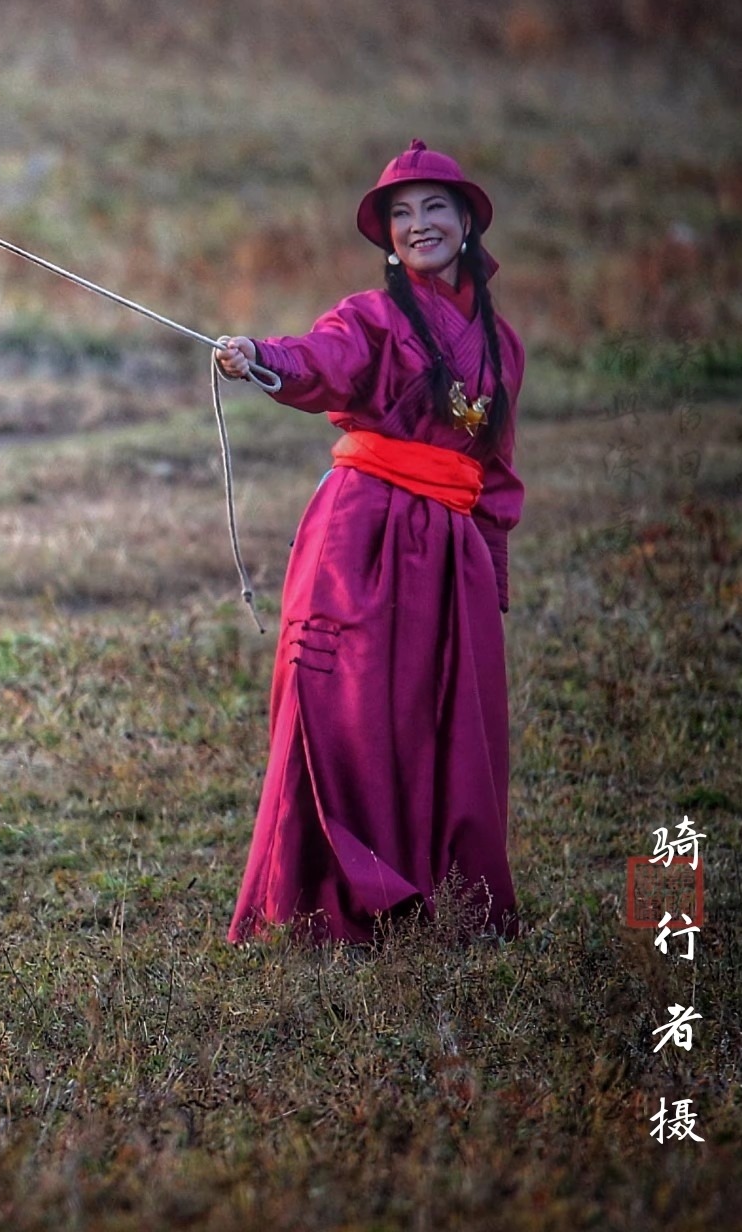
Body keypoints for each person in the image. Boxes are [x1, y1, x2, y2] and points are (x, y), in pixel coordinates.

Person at [214, 141, 523, 944]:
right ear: (386, 236)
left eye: (434, 209)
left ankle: (437, 896)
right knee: (341, 708)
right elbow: (320, 362)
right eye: (401, 214)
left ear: (466, 224)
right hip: (361, 532)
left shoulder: (503, 345)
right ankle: (335, 900)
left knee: (443, 717)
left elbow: (497, 475)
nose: (419, 225)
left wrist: (490, 579)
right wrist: (262, 358)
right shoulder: (370, 317)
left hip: (451, 550)